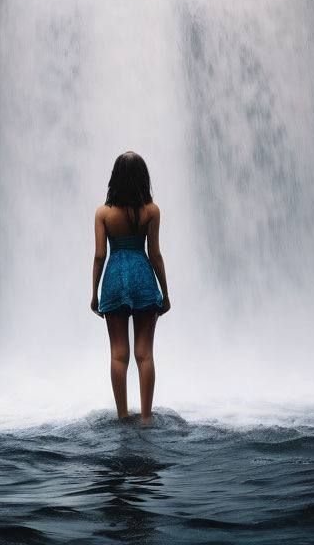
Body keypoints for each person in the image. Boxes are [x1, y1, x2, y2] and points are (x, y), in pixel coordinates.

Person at [90, 150, 171, 425]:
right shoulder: (152, 211)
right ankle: (147, 417)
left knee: (118, 354)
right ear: (142, 179)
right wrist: (166, 293)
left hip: (113, 280)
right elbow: (156, 254)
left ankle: (123, 415)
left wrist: (94, 293)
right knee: (145, 353)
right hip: (142, 278)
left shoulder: (103, 213)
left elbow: (100, 255)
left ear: (115, 179)